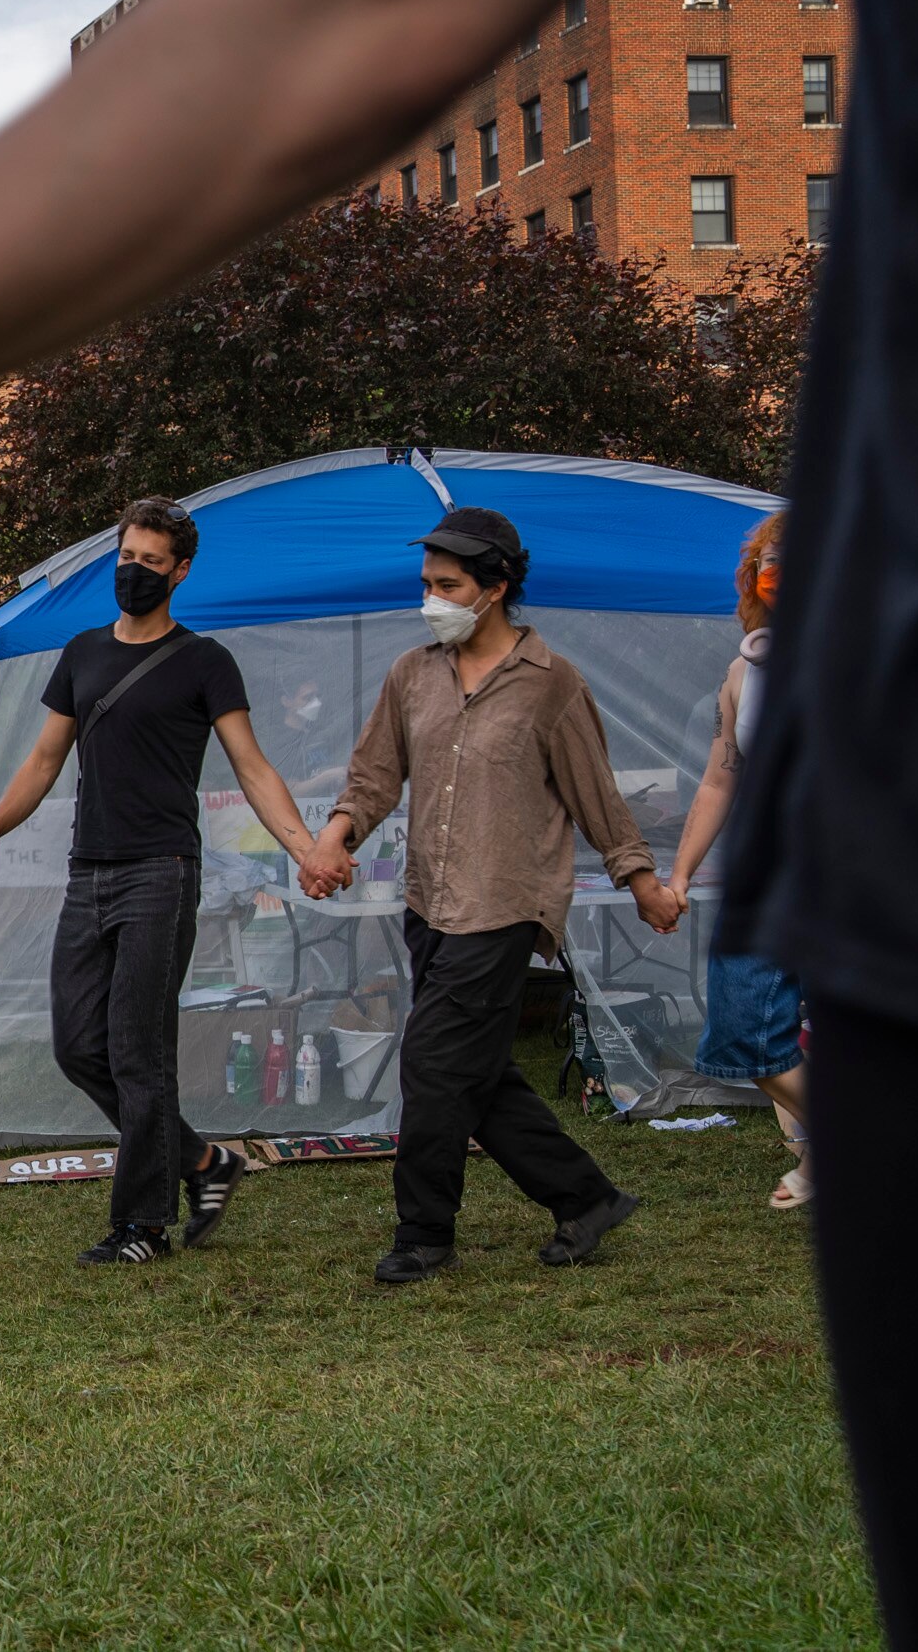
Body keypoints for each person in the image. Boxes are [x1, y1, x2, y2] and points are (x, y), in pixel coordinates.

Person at [298, 509, 680, 1284]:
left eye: (448, 586)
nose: (431, 599)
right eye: (426, 585)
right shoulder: (413, 673)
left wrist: (641, 881)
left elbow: (597, 795)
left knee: (434, 1063)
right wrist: (335, 837)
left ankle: (423, 1234)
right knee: (472, 1070)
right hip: (428, 901)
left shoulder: (552, 684)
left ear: (496, 588)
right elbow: (374, 776)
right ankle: (585, 1196)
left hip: (507, 903)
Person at [0, 499, 325, 1264]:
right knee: (78, 1045)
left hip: (162, 872)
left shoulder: (204, 661)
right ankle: (204, 1162)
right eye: (127, 555)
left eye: (151, 561)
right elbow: (44, 762)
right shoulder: (82, 653)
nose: (134, 571)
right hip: (90, 874)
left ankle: (141, 1226)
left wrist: (307, 849)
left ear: (180, 571)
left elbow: (252, 766)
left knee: (136, 1052)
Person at [662, 515, 808, 1210]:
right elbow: (722, 777)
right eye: (766, 560)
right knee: (743, 1033)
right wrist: (683, 872)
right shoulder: (745, 668)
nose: (776, 567)